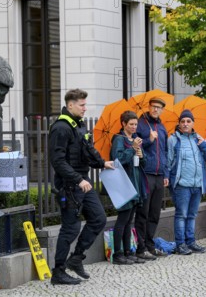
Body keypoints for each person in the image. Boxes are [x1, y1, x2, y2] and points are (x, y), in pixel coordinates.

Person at [48, 89, 115, 285]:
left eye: (85, 104)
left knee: (99, 218)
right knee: (70, 228)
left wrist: (102, 163)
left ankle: (76, 258)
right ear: (70, 105)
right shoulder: (61, 127)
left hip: (82, 181)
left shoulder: (78, 125)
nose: (85, 108)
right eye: (82, 105)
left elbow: (87, 150)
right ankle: (58, 272)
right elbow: (58, 161)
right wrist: (78, 179)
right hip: (70, 185)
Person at [168, 109, 206, 255]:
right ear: (179, 124)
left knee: (192, 215)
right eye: (183, 121)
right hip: (182, 185)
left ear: (193, 123)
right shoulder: (174, 139)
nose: (186, 124)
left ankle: (190, 242)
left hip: (197, 184)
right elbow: (169, 161)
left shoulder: (197, 138)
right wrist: (168, 178)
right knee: (181, 215)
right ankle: (180, 244)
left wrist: (204, 145)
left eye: (188, 121)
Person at [110, 111, 148, 265]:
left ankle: (128, 251)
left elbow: (143, 164)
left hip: (135, 183)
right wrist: (132, 148)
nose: (134, 127)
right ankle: (117, 254)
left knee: (129, 220)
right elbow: (117, 159)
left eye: (135, 124)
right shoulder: (119, 139)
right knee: (123, 219)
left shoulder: (135, 140)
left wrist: (141, 155)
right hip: (124, 184)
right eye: (131, 124)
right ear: (123, 124)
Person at [135, 97, 170, 260]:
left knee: (155, 213)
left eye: (159, 107)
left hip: (159, 174)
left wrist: (166, 174)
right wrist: (149, 139)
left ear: (162, 110)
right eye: (153, 107)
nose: (156, 109)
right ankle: (140, 248)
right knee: (143, 212)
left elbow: (164, 152)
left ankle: (150, 244)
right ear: (148, 107)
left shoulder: (162, 128)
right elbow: (135, 146)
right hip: (146, 173)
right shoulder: (140, 125)